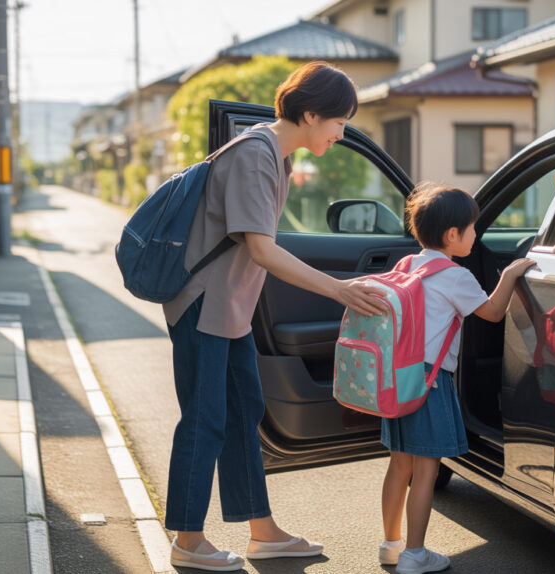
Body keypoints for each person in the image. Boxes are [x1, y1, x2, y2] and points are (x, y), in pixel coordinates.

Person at [161, 61, 388, 572]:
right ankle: (188, 540)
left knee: (244, 415)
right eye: (339, 121)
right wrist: (338, 289)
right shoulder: (255, 154)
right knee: (204, 419)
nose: (341, 132)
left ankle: (262, 532)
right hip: (203, 305)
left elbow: (257, 246)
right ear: (310, 114)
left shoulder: (274, 155)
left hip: (230, 310)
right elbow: (262, 249)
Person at [378, 185, 535, 574]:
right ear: (452, 235)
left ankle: (391, 544)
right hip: (430, 385)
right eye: (472, 228)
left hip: (397, 379)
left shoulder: (406, 266)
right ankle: (415, 554)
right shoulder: (455, 276)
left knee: (400, 465)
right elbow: (493, 312)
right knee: (427, 469)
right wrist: (514, 271)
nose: (475, 236)